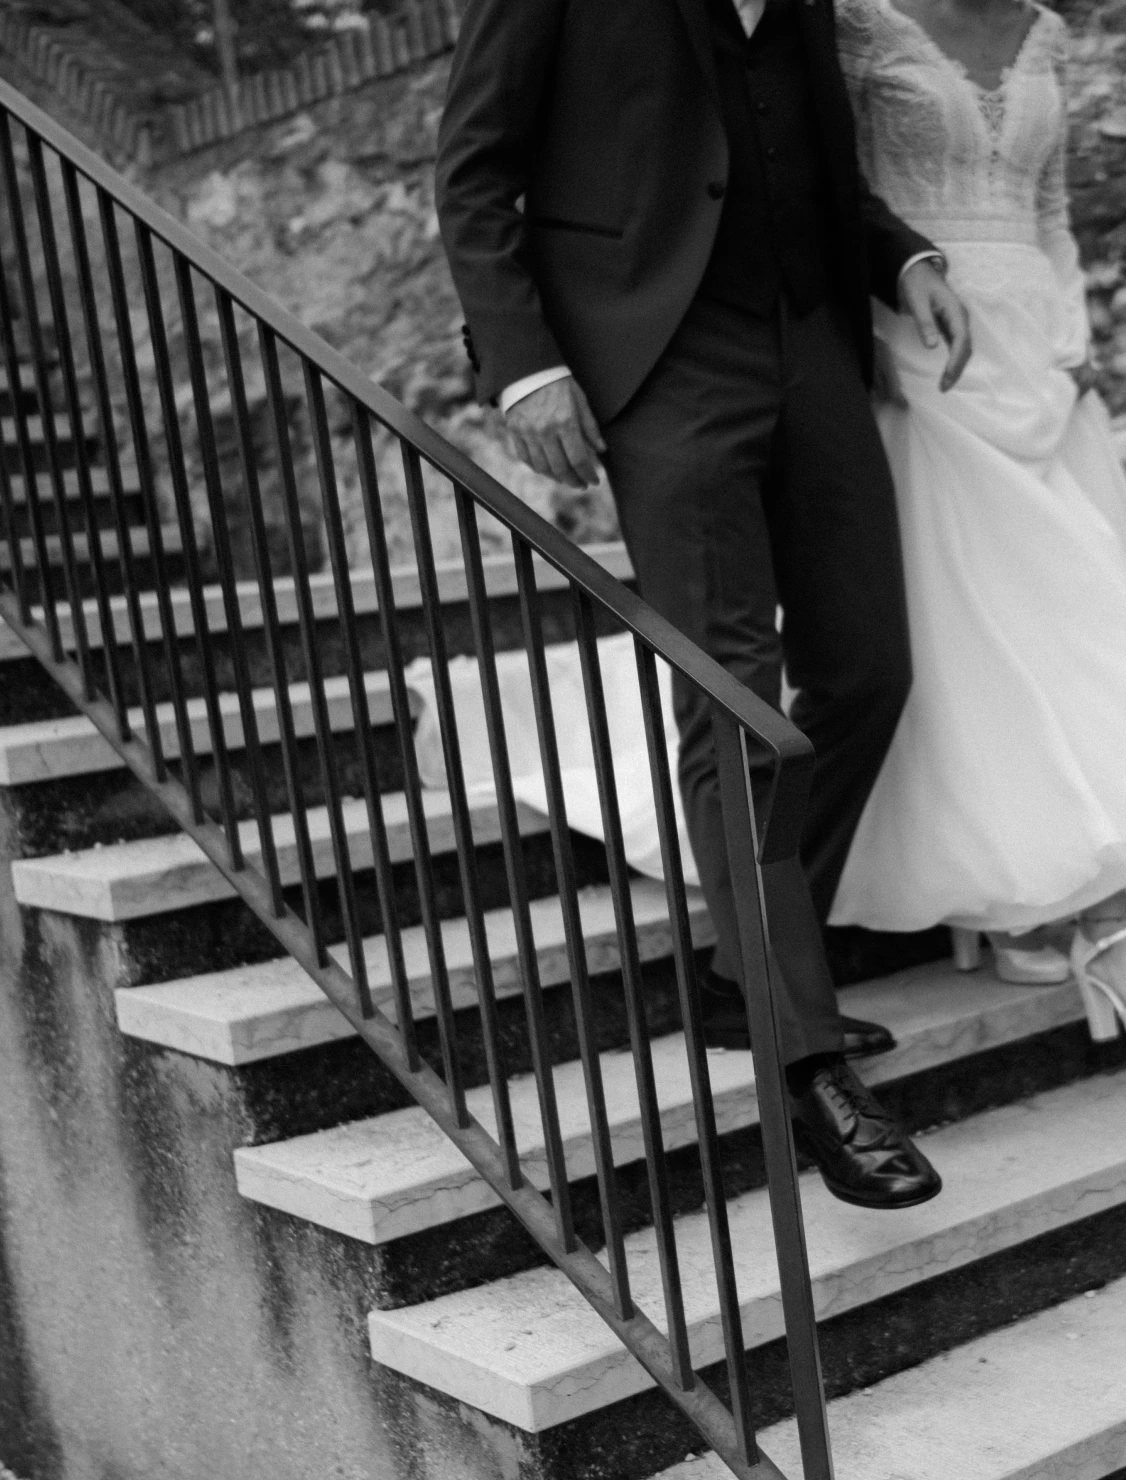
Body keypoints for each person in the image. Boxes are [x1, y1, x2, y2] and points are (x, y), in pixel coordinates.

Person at [434, 0, 977, 1210]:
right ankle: (808, 1059)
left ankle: (753, 966)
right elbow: (475, 172)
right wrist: (525, 361)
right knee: (729, 700)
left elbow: (808, 157)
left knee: (867, 669)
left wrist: (900, 260)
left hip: (809, 345)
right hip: (661, 365)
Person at [827, 0, 1126, 1040]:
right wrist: (863, 343)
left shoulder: (1045, 32)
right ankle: (1102, 930)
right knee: (993, 627)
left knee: (1082, 621)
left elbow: (1050, 204)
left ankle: (1024, 913)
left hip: (1037, 352)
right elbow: (832, 194)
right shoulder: (857, 20)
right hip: (919, 349)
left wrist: (1074, 335)